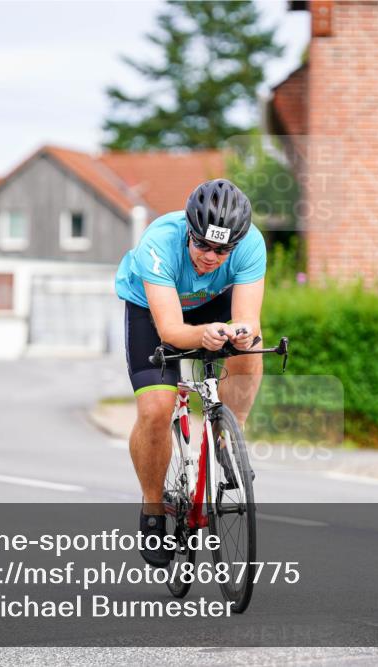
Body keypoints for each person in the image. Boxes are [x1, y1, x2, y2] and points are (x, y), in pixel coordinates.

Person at [114, 178, 266, 567]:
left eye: (222, 250)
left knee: (251, 343)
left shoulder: (251, 244)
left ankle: (228, 438)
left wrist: (239, 333)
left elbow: (248, 319)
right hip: (154, 310)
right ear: (188, 232)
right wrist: (203, 335)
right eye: (202, 245)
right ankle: (153, 509)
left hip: (212, 302)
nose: (211, 257)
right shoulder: (159, 242)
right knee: (156, 410)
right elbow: (171, 331)